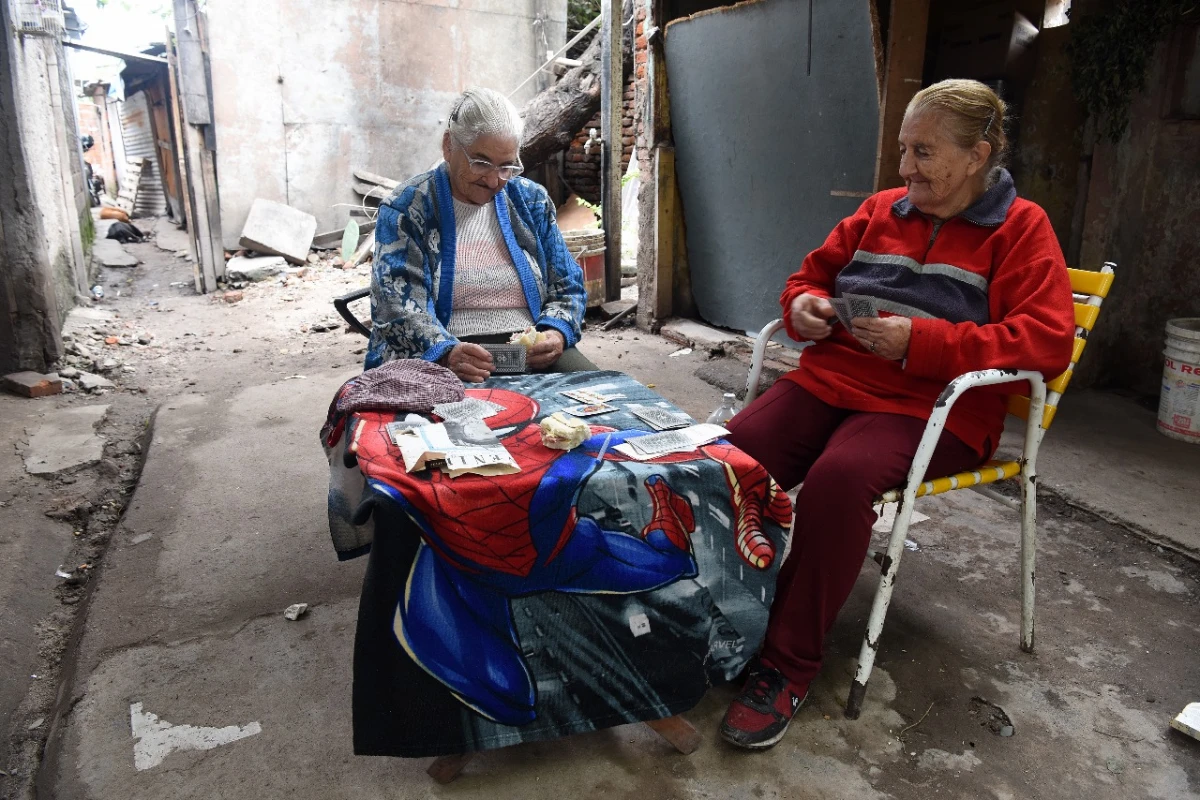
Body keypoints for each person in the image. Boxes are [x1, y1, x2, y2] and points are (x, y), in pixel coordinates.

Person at [718, 79, 1077, 749]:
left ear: (978, 155)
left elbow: (1048, 342)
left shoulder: (1021, 228)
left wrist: (928, 343)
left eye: (925, 152)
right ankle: (723, 615)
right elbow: (810, 278)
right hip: (835, 378)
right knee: (728, 456)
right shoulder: (882, 209)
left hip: (934, 406)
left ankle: (786, 663)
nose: (905, 168)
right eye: (904, 149)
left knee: (839, 481)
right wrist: (804, 310)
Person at [366, 87, 593, 381]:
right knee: (448, 420)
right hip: (443, 352)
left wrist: (556, 331)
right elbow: (395, 303)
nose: (493, 179)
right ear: (449, 145)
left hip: (527, 349)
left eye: (507, 166)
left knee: (600, 400)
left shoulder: (531, 200)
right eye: (481, 162)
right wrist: (445, 351)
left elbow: (567, 283)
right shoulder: (407, 207)